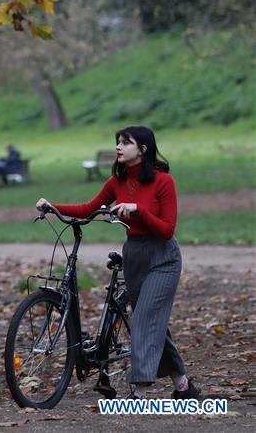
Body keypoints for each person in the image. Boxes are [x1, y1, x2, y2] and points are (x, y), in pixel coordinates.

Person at [35, 125, 199, 400]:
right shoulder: (117, 182)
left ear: (143, 149)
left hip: (163, 258)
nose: (118, 147)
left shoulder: (163, 182)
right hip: (133, 256)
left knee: (144, 319)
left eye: (126, 142)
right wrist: (53, 207)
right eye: (117, 142)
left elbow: (167, 229)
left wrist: (139, 211)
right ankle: (183, 385)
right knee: (152, 321)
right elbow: (89, 208)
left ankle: (139, 392)